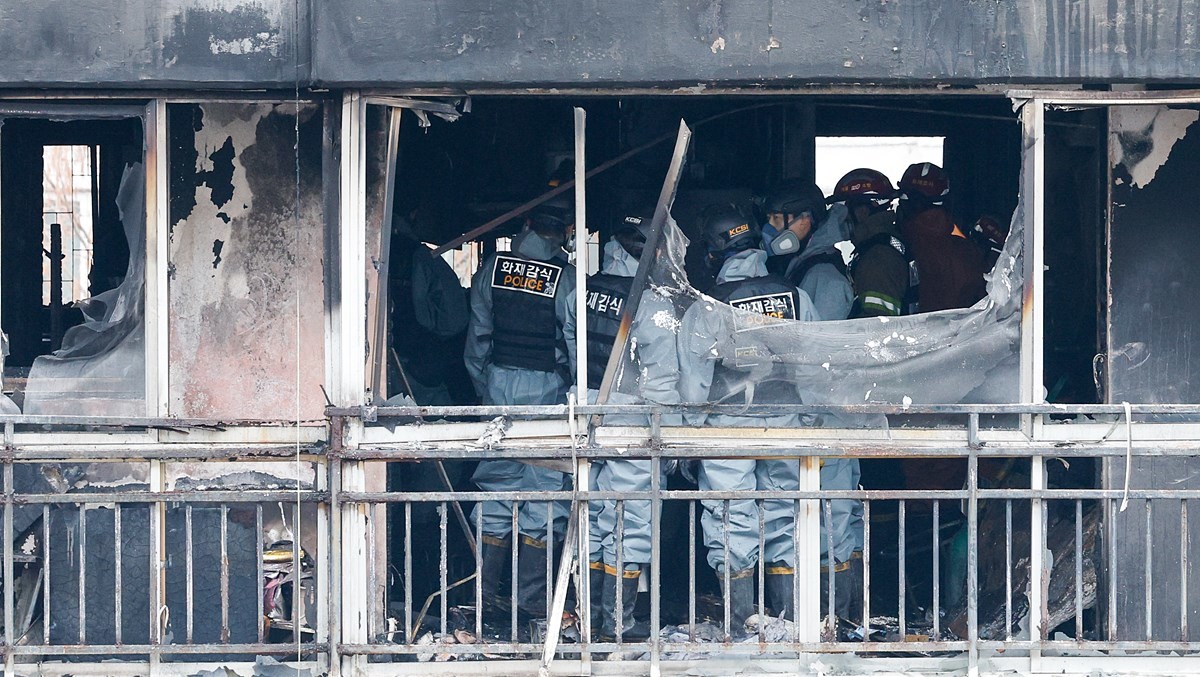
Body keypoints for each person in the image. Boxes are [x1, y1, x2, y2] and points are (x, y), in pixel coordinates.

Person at [678, 203, 818, 632]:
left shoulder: (709, 306)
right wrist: (810, 422)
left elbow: (693, 385)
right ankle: (791, 626)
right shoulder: (797, 296)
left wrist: (689, 439)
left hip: (728, 429)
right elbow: (815, 365)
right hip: (786, 422)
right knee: (784, 517)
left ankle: (740, 626)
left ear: (714, 255)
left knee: (729, 520)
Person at [464, 195, 577, 622]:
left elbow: (477, 339)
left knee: (496, 485)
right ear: (564, 231)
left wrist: (487, 387)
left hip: (497, 383)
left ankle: (483, 595)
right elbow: (572, 344)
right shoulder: (565, 277)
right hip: (546, 385)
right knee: (545, 491)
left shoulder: (493, 268)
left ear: (527, 223)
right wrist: (565, 387)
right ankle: (531, 601)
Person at [583, 209, 682, 640]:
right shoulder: (654, 302)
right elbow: (661, 379)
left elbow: (570, 349)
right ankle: (618, 623)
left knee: (592, 516)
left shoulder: (585, 290)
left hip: (585, 408)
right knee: (630, 521)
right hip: (632, 420)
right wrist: (670, 436)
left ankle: (587, 617)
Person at [760, 180, 855, 322]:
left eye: (777, 219)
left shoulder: (827, 280)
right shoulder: (801, 262)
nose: (770, 227)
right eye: (769, 219)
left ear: (804, 221)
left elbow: (822, 340)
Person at [896, 162, 986, 312]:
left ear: (911, 201)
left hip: (919, 332)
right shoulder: (967, 249)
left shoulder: (911, 242)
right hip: (963, 332)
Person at [829, 168, 913, 319]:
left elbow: (877, 326)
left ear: (861, 211)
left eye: (844, 210)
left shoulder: (878, 259)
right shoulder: (884, 244)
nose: (842, 218)